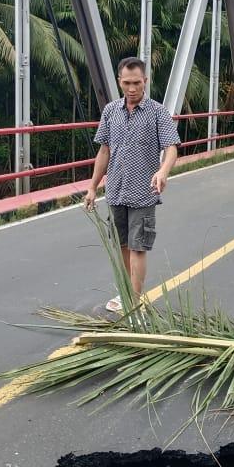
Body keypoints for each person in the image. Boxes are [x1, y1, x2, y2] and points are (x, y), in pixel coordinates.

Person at [84, 57, 180, 314]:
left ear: (145, 81)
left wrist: (163, 172)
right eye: (126, 83)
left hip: (143, 192)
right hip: (115, 190)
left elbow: (171, 148)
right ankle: (127, 291)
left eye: (137, 83)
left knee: (138, 246)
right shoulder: (110, 111)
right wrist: (93, 187)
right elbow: (104, 151)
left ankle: (134, 303)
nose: (132, 88)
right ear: (119, 82)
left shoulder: (157, 112)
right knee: (123, 245)